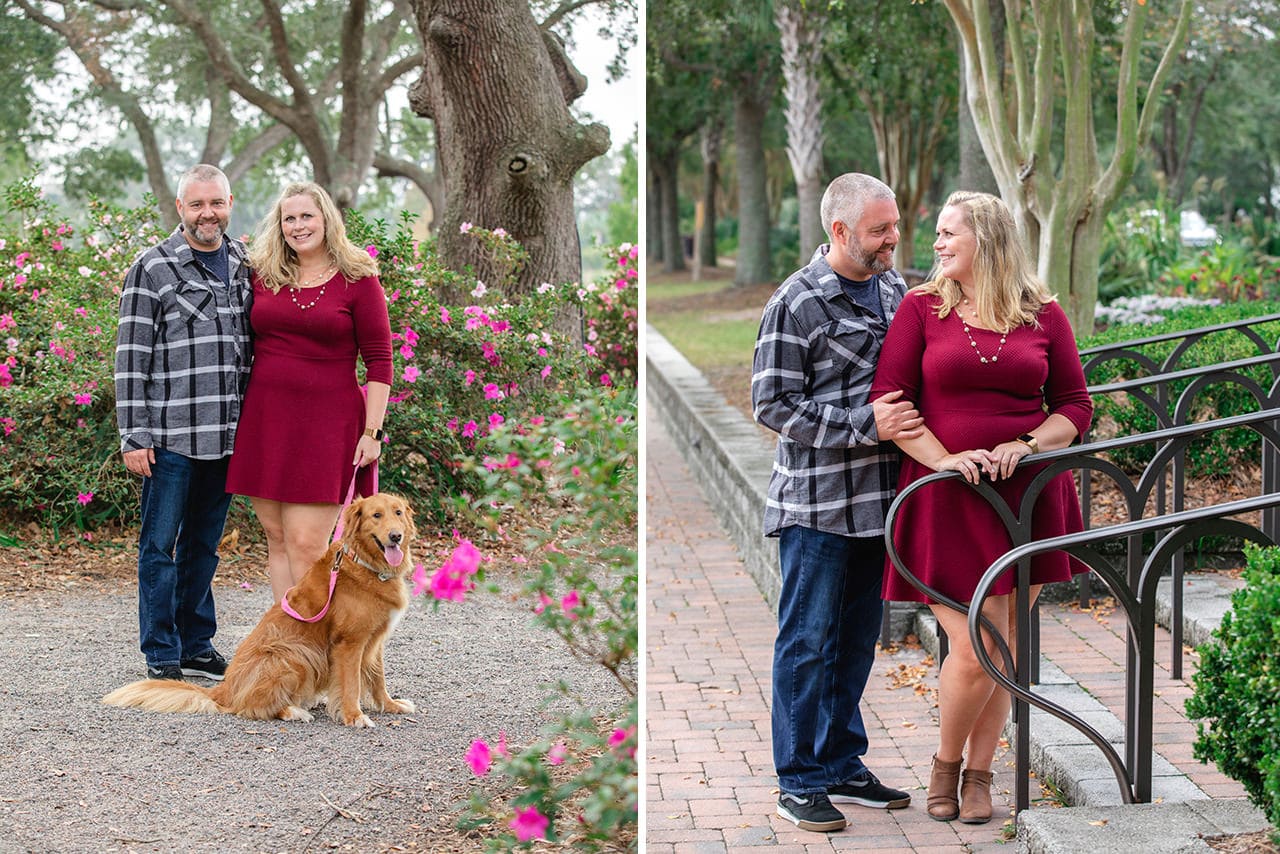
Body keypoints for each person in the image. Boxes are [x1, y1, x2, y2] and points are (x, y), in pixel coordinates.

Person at [870, 190, 1093, 824]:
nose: (936, 245)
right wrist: (942, 458)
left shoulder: (1042, 312)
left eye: (948, 234)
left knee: (1003, 642)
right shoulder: (921, 308)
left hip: (1024, 497)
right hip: (943, 495)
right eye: (937, 235)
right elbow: (890, 401)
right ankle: (945, 765)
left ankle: (979, 776)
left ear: (986, 239)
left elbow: (1074, 406)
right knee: (973, 645)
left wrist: (1024, 445)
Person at [751, 173, 925, 833]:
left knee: (855, 642)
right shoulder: (794, 303)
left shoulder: (893, 288)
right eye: (881, 229)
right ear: (841, 231)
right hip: (816, 508)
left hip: (879, 505)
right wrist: (863, 424)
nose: (893, 239)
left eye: (895, 225)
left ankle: (842, 765)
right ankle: (798, 781)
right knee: (805, 644)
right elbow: (771, 404)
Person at [114, 163, 252, 682]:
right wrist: (134, 436)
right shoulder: (151, 267)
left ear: (230, 203)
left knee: (203, 546)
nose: (207, 213)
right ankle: (161, 652)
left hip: (225, 437)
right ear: (180, 208)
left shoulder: (243, 263)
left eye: (215, 203)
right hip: (169, 439)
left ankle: (198, 644)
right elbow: (131, 359)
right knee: (158, 548)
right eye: (196, 204)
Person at [225, 182, 393, 603]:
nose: (298, 226)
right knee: (277, 537)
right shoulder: (263, 276)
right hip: (267, 420)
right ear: (279, 227)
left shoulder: (359, 279)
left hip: (328, 425)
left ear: (326, 220)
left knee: (307, 543)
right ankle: (291, 643)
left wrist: (371, 433)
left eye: (306, 216)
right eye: (289, 219)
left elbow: (380, 361)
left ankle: (322, 647)